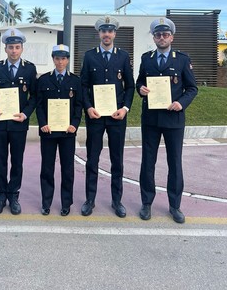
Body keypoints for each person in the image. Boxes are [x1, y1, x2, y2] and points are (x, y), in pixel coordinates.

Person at [136, 17, 198, 223]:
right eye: (157, 34)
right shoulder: (146, 59)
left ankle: (175, 205)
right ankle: (146, 203)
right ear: (153, 37)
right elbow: (139, 83)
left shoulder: (181, 59)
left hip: (174, 119)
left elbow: (192, 88)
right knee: (148, 162)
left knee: (175, 163)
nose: (161, 38)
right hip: (151, 119)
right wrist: (141, 90)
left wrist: (181, 103)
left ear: (171, 36)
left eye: (165, 34)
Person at [80, 16, 135, 217]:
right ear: (99, 34)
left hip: (116, 117)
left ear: (114, 34)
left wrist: (125, 108)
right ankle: (90, 200)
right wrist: (87, 107)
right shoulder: (89, 56)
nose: (106, 34)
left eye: (110, 31)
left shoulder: (123, 56)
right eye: (103, 31)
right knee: (92, 159)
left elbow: (130, 86)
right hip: (95, 116)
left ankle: (117, 201)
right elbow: (83, 85)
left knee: (116, 160)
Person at [0, 28, 37, 215]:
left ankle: (14, 195)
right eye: (10, 47)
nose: (14, 51)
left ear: (22, 49)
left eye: (17, 47)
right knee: (0, 161)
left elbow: (35, 96)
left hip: (18, 124)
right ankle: (1, 196)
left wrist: (26, 113)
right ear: (5, 49)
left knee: (17, 161)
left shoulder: (29, 69)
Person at [36, 44, 82, 216]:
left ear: (68, 60)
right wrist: (42, 123)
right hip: (48, 131)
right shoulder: (44, 80)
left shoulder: (75, 81)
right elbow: (39, 106)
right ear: (53, 59)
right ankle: (46, 202)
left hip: (67, 132)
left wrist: (74, 124)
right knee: (47, 169)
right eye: (57, 58)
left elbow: (78, 107)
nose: (60, 62)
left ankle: (66, 203)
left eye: (63, 58)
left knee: (67, 169)